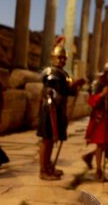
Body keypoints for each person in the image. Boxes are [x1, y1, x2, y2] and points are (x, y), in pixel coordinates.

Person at [37, 39, 85, 180]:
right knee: (47, 140)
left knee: (52, 140)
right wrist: (74, 84)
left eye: (64, 57)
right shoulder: (50, 72)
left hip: (58, 110)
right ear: (54, 57)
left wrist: (75, 88)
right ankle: (43, 170)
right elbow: (59, 89)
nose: (63, 60)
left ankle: (49, 166)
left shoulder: (63, 74)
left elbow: (67, 92)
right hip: (49, 110)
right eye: (60, 57)